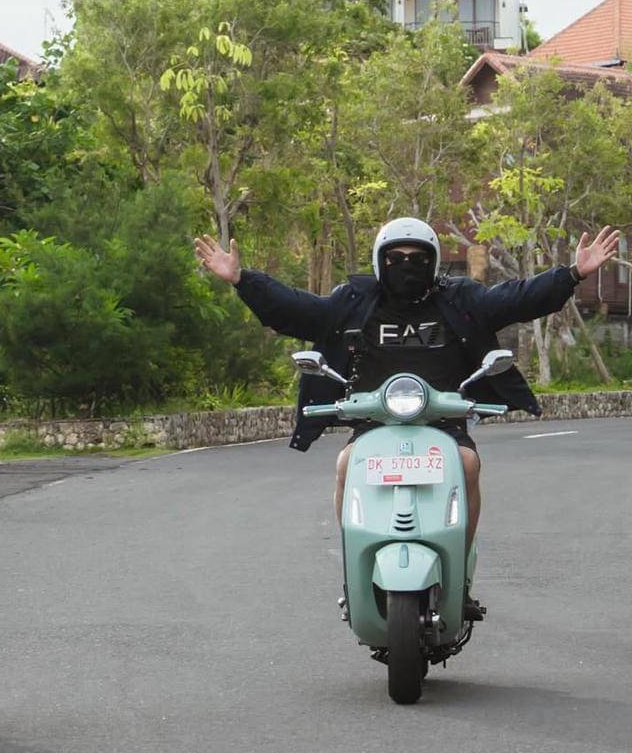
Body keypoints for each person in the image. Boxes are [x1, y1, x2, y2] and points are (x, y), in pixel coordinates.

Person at [195, 218, 620, 610]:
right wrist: (242, 280)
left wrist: (573, 274)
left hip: (444, 421)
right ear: (381, 262)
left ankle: (457, 579)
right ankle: (356, 575)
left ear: (433, 261)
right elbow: (299, 309)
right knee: (346, 463)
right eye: (396, 258)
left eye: (417, 258)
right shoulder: (355, 300)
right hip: (375, 421)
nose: (406, 265)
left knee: (468, 464)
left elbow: (515, 299)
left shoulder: (459, 299)